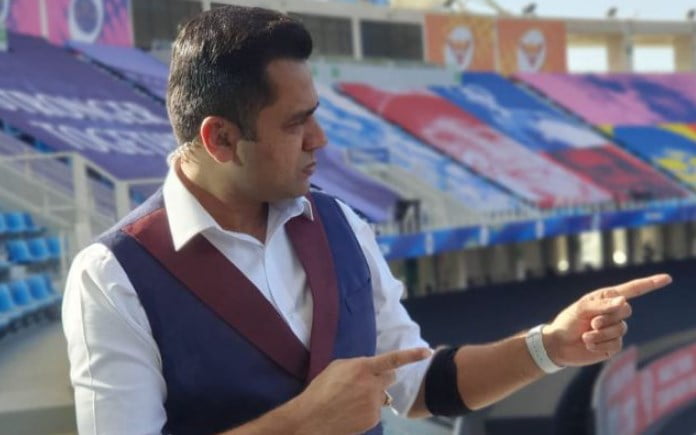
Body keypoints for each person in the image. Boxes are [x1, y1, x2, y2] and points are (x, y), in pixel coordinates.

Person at [62, 5, 672, 435]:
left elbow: (420, 384)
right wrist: (303, 423)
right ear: (219, 138)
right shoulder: (113, 276)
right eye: (296, 123)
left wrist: (551, 345)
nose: (319, 139)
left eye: (315, 115)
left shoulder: (341, 226)